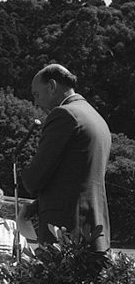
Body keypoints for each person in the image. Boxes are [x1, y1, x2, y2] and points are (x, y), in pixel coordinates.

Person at [22, 64, 112, 251]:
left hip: (67, 232)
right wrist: (40, 204)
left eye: (36, 94)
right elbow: (79, 180)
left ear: (52, 86)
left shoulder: (64, 114)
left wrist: (23, 170)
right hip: (95, 228)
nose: (36, 103)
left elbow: (35, 179)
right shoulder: (97, 118)